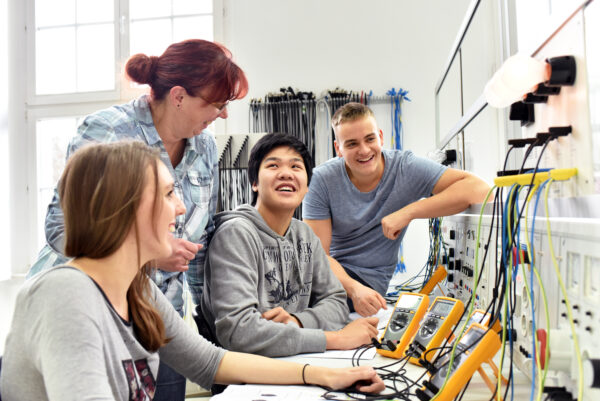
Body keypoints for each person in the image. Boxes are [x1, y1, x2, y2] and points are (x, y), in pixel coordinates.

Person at [0, 142, 384, 401]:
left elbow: (212, 361)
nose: (182, 208)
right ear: (124, 206)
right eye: (169, 194)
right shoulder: (66, 295)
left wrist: (324, 375)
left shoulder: (138, 291)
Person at [26, 39, 247, 399]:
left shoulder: (205, 147)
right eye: (217, 104)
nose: (223, 115)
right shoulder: (110, 131)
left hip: (159, 316)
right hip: (90, 309)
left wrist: (211, 328)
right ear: (178, 96)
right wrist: (147, 253)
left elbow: (199, 246)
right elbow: (61, 227)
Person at [303, 102, 490, 317]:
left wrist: (409, 211)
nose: (364, 150)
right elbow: (317, 255)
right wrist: (353, 289)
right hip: (332, 275)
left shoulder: (405, 168)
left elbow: (480, 189)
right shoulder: (321, 179)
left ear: (380, 137)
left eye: (370, 139)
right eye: (352, 143)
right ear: (339, 149)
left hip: (369, 282)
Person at [200, 133, 379, 357]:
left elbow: (336, 301)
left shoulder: (305, 235)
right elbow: (238, 332)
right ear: (254, 183)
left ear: (306, 187)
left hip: (299, 359)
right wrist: (336, 339)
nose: (286, 174)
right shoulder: (236, 234)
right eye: (273, 165)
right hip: (249, 374)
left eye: (296, 167)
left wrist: (298, 321)